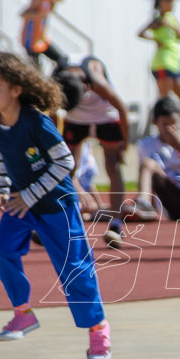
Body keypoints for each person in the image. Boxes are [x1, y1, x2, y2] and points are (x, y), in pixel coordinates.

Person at [0, 51, 112, 359]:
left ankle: (98, 331)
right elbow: (4, 157)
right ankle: (23, 314)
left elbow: (65, 161)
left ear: (16, 89)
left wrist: (30, 193)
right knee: (3, 253)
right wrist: (3, 187)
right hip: (21, 202)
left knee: (75, 270)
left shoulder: (37, 122)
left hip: (55, 205)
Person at [53, 55, 130, 248]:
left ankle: (116, 224)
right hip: (76, 118)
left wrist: (126, 143)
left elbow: (122, 107)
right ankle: (62, 222)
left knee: (112, 165)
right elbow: (52, 112)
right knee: (66, 168)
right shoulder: (55, 78)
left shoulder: (95, 79)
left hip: (105, 114)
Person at [137, 0, 180, 129]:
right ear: (162, 2)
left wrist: (172, 26)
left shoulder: (171, 19)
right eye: (169, 1)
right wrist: (155, 40)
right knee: (165, 100)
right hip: (162, 62)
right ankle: (163, 132)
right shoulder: (157, 19)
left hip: (174, 62)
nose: (172, 5)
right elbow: (141, 32)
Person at [20, 0, 67, 68]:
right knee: (36, 69)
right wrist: (38, 15)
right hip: (31, 39)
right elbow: (23, 14)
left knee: (62, 60)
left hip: (42, 38)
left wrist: (55, 1)